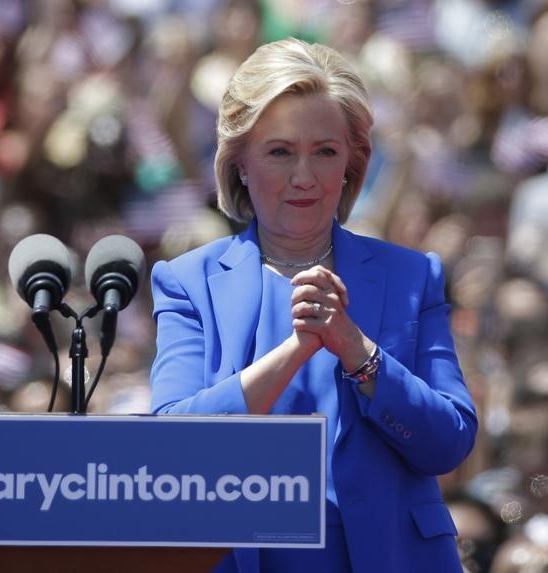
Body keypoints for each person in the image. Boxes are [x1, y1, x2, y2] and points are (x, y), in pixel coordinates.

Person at [149, 37, 478, 572]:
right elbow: (172, 443)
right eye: (280, 152)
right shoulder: (188, 281)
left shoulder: (412, 275)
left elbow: (448, 442)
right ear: (240, 165)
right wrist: (294, 352)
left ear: (351, 163)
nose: (305, 176)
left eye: (325, 151)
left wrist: (356, 350)